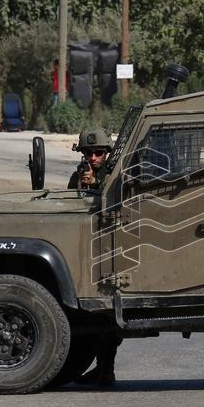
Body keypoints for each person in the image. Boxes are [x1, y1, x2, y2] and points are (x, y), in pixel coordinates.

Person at [67, 126, 123, 386]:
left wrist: (97, 186)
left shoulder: (114, 174)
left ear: (107, 153)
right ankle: (102, 369)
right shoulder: (79, 175)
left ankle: (106, 369)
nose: (93, 158)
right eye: (88, 153)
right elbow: (68, 206)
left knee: (105, 313)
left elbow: (116, 201)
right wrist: (81, 184)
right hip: (87, 247)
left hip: (112, 247)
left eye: (98, 153)